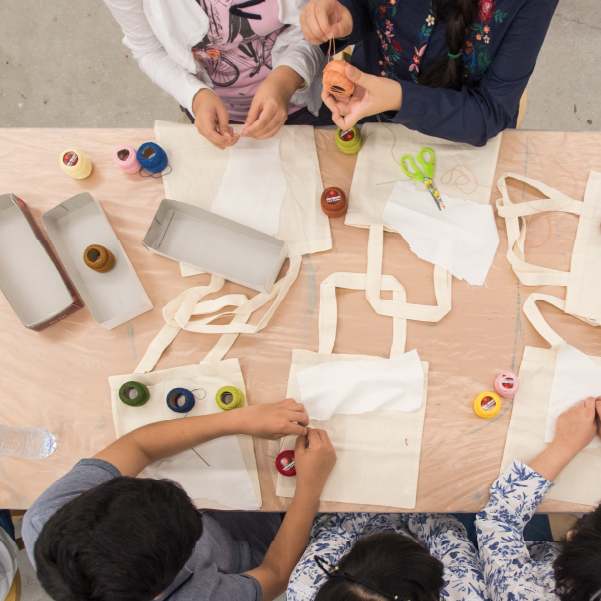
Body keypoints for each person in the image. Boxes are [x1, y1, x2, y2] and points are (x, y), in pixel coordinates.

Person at [22, 399, 336, 601]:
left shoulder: (47, 519)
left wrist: (238, 420)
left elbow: (138, 446)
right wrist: (309, 486)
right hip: (252, 546)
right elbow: (277, 573)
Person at [299, 0, 559, 146]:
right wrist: (345, 16)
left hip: (460, 135)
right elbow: (365, 7)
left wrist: (399, 98)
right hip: (368, 109)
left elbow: (491, 110)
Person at [103, 0, 329, 149]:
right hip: (210, 113)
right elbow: (148, 49)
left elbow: (321, 25)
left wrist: (285, 79)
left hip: (303, 99)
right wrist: (195, 96)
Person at [476, 397, 601, 601]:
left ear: (571, 536)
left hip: (510, 566)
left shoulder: (522, 596)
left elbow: (500, 520)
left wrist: (566, 444)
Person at [286, 512, 488, 601]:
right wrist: (408, 502)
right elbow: (444, 533)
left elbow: (338, 528)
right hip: (425, 524)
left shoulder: (306, 586)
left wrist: (375, 495)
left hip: (355, 518)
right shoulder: (465, 592)